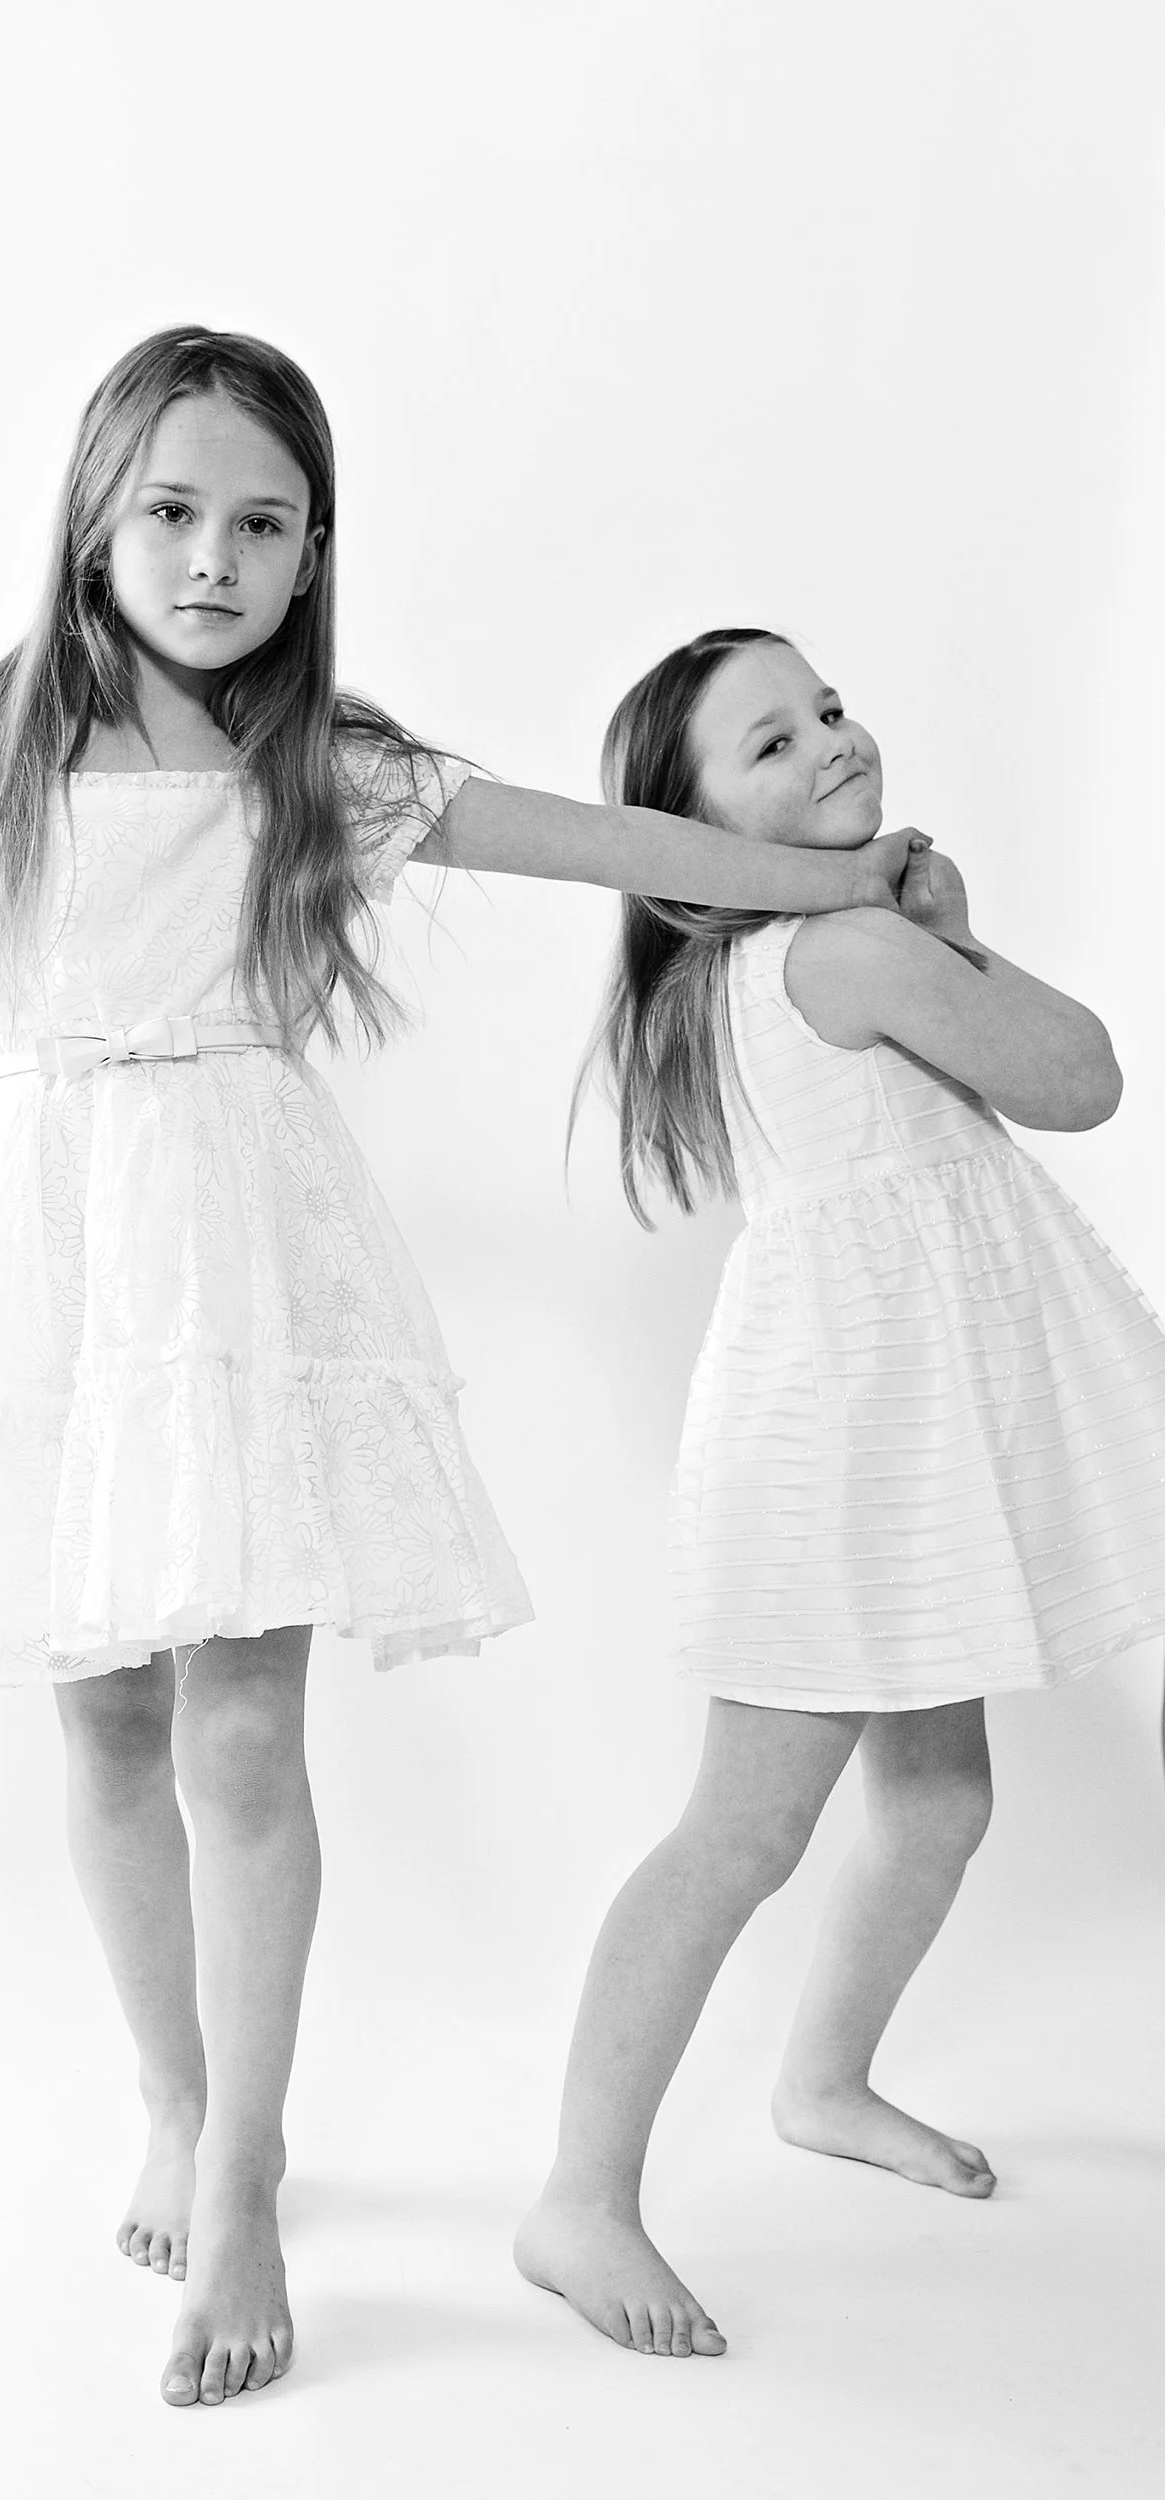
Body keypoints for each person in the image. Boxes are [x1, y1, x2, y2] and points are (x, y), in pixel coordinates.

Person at [0, 360, 914, 2409]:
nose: (214, 560)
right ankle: (168, 2084)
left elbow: (595, 841)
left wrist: (835, 882)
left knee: (244, 1728)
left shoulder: (324, 765)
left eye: (261, 523)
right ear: (91, 521)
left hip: (235, 1257)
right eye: (172, 516)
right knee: (107, 1715)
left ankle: (242, 2163)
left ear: (314, 547)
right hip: (47, 1276)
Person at [516, 627, 1165, 2360]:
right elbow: (1082, 1076)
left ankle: (820, 2079)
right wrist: (958, 936)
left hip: (890, 1439)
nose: (825, 742)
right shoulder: (847, 951)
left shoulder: (765, 969)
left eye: (824, 708)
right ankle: (578, 2193)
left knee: (938, 1795)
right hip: (836, 1452)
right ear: (688, 839)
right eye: (764, 744)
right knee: (741, 1827)